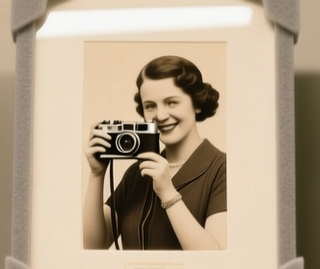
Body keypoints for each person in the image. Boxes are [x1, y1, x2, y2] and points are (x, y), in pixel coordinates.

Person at [83, 55, 227, 251]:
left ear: (197, 103)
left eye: (172, 102)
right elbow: (94, 246)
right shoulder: (137, 173)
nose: (160, 115)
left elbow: (215, 259)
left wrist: (168, 193)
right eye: (150, 106)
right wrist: (96, 174)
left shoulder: (222, 169)